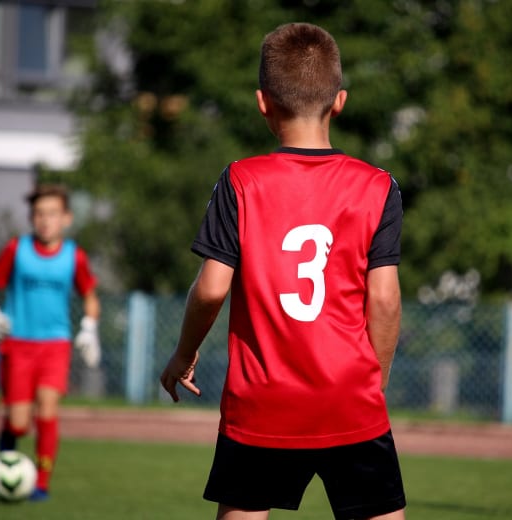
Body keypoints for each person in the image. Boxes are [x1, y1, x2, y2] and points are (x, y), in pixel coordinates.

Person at [160, 22, 406, 520]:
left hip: (263, 399)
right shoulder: (378, 186)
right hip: (348, 396)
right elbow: (384, 300)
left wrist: (183, 355)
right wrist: (370, 387)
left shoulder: (240, 181)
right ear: (340, 101)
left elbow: (211, 289)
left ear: (262, 102)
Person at [0, 183, 101, 502]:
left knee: (48, 410)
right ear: (31, 218)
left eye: (52, 213)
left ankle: (41, 484)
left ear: (66, 218)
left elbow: (89, 296)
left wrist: (89, 328)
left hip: (55, 346)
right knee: (20, 424)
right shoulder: (15, 249)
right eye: (38, 213)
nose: (45, 220)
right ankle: (7, 454)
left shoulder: (74, 255)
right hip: (18, 344)